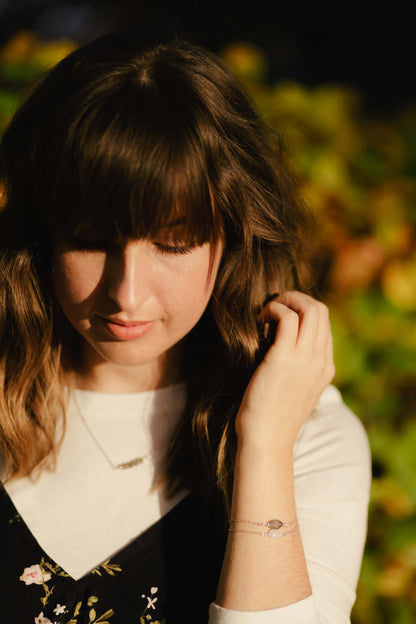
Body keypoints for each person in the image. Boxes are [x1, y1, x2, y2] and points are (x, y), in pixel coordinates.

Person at [0, 29, 371, 623]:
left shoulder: (308, 439)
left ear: (232, 239)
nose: (126, 294)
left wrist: (266, 446)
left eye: (173, 245)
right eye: (91, 242)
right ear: (42, 233)